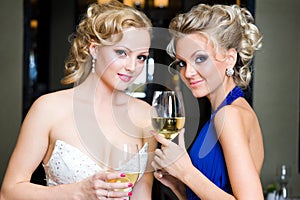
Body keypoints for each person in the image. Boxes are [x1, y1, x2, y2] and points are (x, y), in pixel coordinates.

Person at [0, 1, 156, 199]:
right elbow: (9, 192)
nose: (132, 66)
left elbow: (142, 193)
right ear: (94, 49)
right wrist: (78, 192)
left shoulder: (145, 115)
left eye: (141, 57)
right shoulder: (48, 109)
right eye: (121, 53)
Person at [151, 3, 264, 200]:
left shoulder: (228, 115)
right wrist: (180, 186)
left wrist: (186, 172)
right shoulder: (227, 110)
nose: (188, 72)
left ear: (230, 58)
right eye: (182, 63)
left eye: (200, 59)